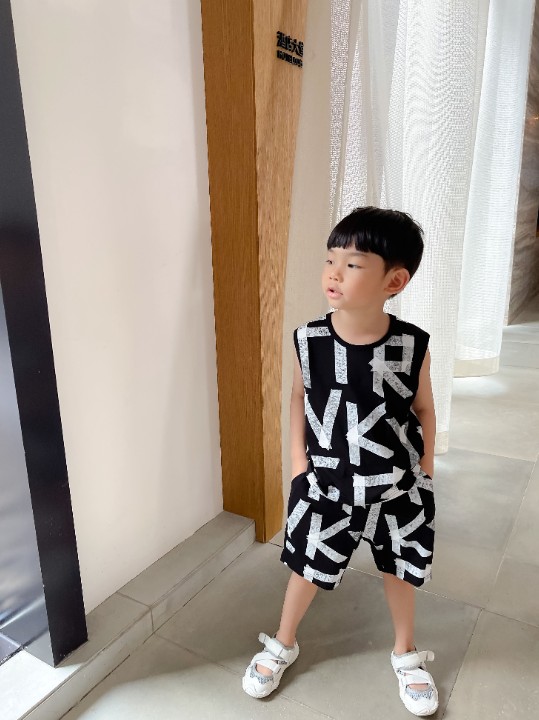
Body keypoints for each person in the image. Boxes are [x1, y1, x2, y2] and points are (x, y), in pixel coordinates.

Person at [242, 206, 438, 716]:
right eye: (330, 259)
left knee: (400, 568)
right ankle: (283, 642)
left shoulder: (411, 345)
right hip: (326, 482)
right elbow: (298, 397)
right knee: (308, 565)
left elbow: (423, 408)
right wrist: (297, 462)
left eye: (352, 264)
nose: (333, 272)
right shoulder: (309, 340)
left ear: (394, 281)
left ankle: (406, 653)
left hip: (397, 485)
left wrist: (426, 470)